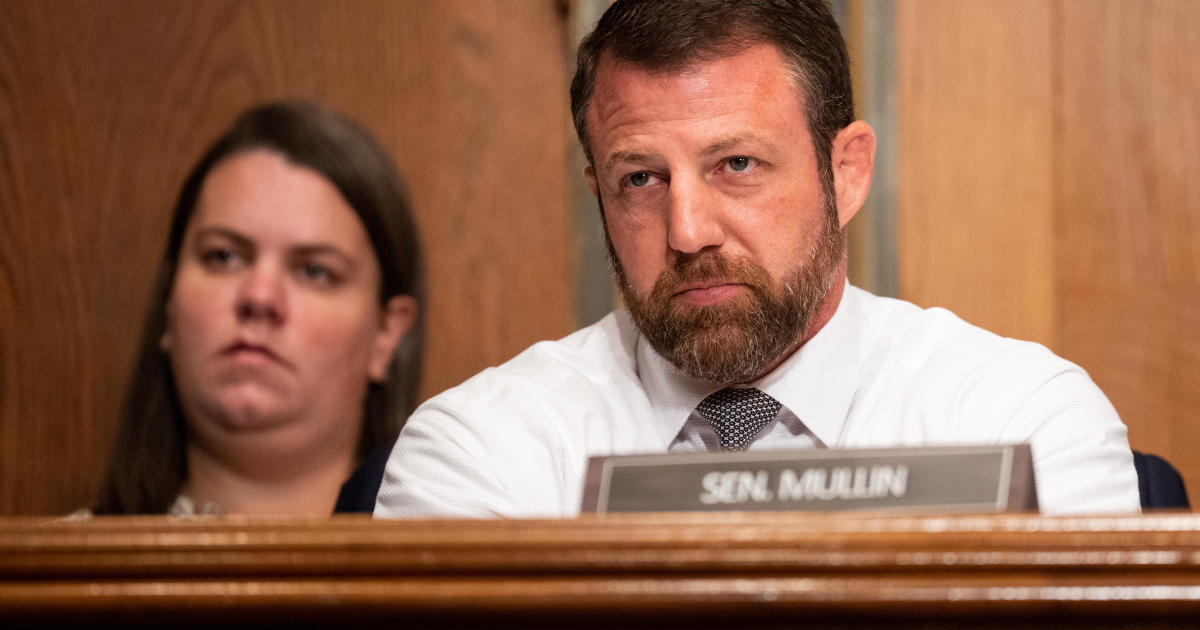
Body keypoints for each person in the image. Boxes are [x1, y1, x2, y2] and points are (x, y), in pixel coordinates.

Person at [375, 0, 1139, 518]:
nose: (687, 231)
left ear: (846, 172)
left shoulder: (1021, 423)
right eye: (640, 179)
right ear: (598, 195)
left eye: (736, 164)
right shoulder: (483, 449)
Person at [94, 101, 424, 515]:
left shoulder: (456, 574)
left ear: (386, 335)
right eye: (224, 256)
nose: (260, 297)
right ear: (168, 301)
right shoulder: (42, 573)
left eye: (315, 271)